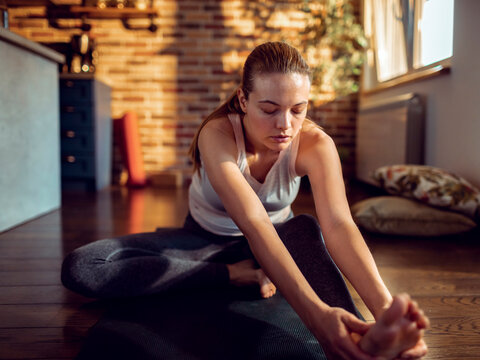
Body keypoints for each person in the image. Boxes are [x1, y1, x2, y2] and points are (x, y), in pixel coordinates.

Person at [61, 41, 428, 360]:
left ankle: (363, 339)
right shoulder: (217, 134)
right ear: (243, 99)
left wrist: (386, 310)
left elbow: (339, 224)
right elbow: (252, 222)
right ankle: (232, 276)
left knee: (307, 230)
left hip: (276, 240)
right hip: (203, 242)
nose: (285, 124)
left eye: (298, 109)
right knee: (84, 265)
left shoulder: (316, 144)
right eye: (269, 109)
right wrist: (315, 319)